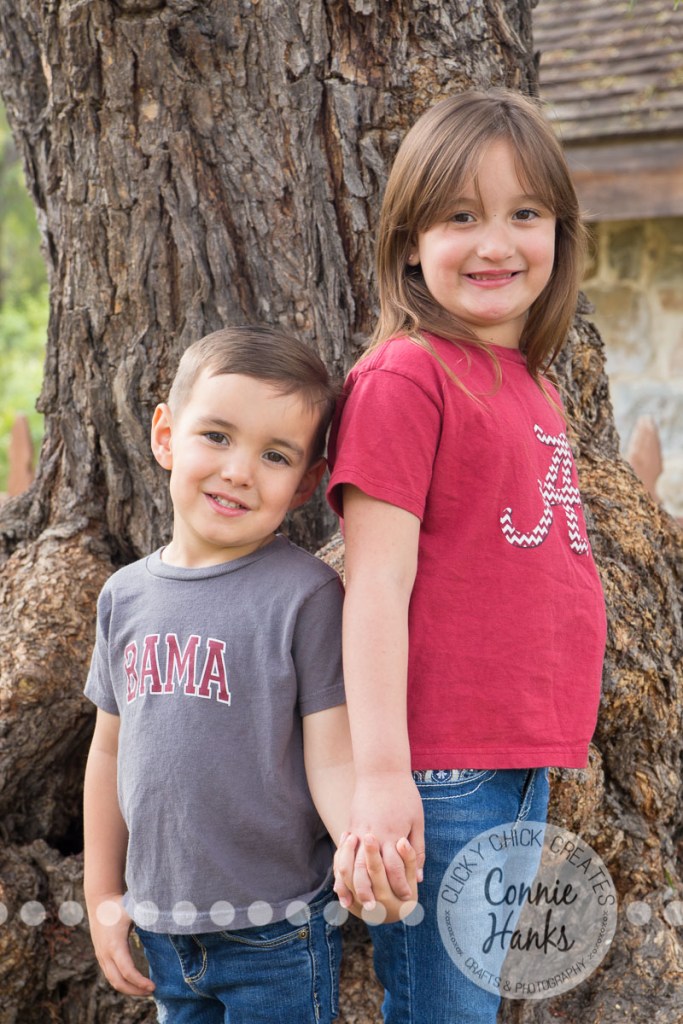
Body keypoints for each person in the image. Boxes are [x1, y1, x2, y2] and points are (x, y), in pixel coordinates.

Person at [327, 90, 607, 1024]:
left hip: (520, 761)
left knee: (472, 1008)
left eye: (524, 213)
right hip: (441, 768)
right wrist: (379, 773)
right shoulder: (408, 376)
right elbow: (374, 583)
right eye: (460, 217)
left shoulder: (527, 382)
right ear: (410, 242)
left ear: (559, 234)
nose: (496, 243)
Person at [83, 325, 416, 1024]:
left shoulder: (304, 596)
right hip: (163, 928)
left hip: (277, 930)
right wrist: (102, 892)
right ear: (166, 436)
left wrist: (361, 857)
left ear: (303, 486)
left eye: (274, 455)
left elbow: (331, 755)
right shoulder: (124, 598)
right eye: (217, 437)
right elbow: (110, 751)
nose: (239, 470)